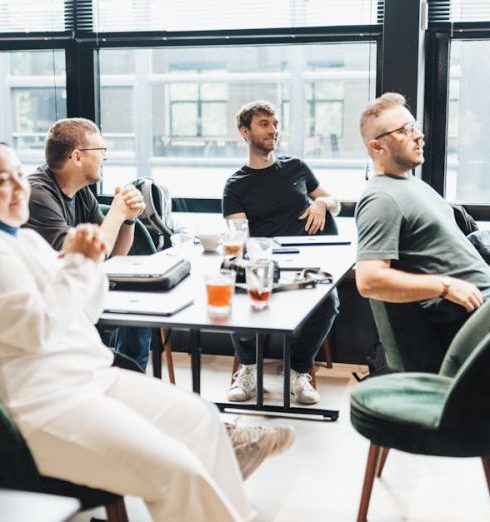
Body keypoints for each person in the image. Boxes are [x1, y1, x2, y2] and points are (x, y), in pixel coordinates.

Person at [0, 142, 294, 521]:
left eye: (18, 174)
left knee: (200, 419)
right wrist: (77, 263)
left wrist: (87, 264)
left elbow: (84, 312)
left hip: (91, 377)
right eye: (1, 181)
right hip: (44, 403)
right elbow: (36, 331)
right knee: (178, 473)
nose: (18, 187)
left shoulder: (23, 240)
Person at [222, 100, 341, 405]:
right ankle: (248, 370)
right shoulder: (235, 186)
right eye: (264, 124)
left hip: (307, 264)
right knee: (233, 292)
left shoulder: (296, 167)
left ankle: (299, 371)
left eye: (275, 124)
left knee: (329, 302)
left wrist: (321, 203)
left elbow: (335, 201)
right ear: (244, 131)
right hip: (263, 264)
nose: (273, 130)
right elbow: (239, 237)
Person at [355, 92, 490, 349]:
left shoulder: (412, 184)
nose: (418, 135)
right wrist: (446, 286)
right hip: (474, 325)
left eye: (414, 126)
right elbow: (369, 280)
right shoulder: (381, 199)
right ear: (377, 146)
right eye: (404, 130)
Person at [24, 118, 152, 370]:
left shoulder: (80, 191)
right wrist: (117, 212)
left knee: (144, 308)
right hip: (53, 309)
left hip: (82, 291)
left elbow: (114, 252)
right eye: (100, 150)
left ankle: (129, 377)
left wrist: (129, 219)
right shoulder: (37, 195)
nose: (105, 157)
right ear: (77, 157)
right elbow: (86, 257)